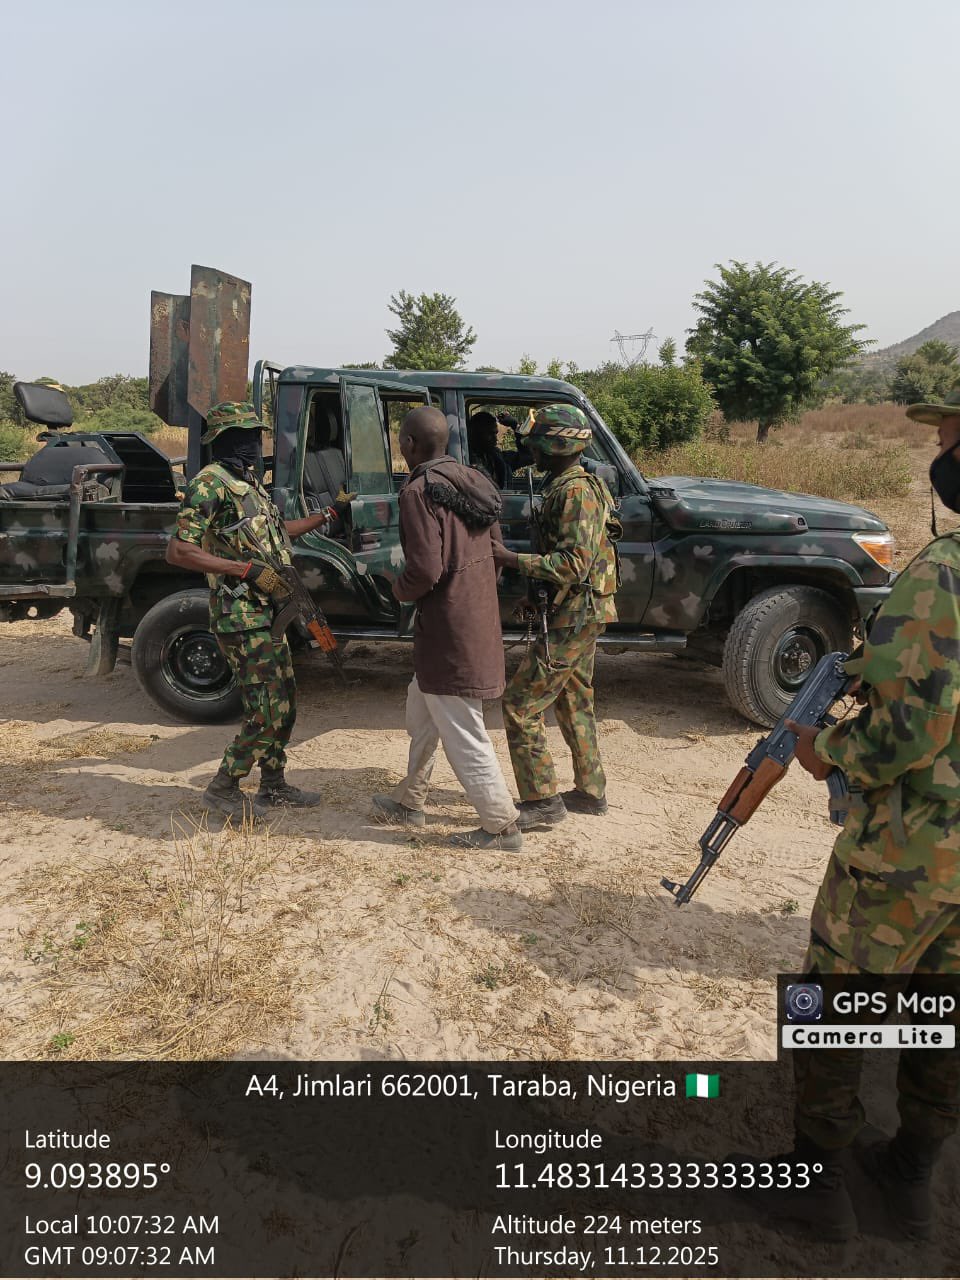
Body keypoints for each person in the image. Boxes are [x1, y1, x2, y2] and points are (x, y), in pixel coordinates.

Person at [766, 392, 960, 1242]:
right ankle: (910, 1178)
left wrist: (829, 754)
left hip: (912, 851)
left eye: (950, 436)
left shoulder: (946, 572)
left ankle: (815, 1186)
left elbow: (911, 728)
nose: (941, 452)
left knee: (830, 1005)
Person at [166, 401, 345, 820]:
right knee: (264, 709)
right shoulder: (209, 484)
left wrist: (329, 514)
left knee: (285, 703)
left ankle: (273, 785)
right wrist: (242, 569)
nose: (251, 444)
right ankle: (223, 787)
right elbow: (178, 551)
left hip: (269, 613)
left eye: (254, 436)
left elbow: (278, 533)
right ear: (222, 440)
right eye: (241, 437)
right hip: (240, 615)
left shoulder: (249, 483)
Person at [371, 405, 522, 851]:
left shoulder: (419, 491)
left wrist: (395, 589)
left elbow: (425, 570)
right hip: (475, 618)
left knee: (462, 728)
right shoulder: (474, 480)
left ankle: (501, 826)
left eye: (401, 439)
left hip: (448, 630)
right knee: (422, 710)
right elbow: (496, 553)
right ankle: (410, 800)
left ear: (409, 444)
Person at [491, 405, 620, 830]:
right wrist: (534, 594)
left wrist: (511, 559)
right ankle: (590, 791)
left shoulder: (576, 492)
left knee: (519, 705)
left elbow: (574, 563)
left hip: (576, 613)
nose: (530, 450)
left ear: (557, 445)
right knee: (573, 698)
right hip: (577, 609)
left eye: (536, 443)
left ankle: (542, 800)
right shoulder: (565, 486)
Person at [467, 410, 511, 489]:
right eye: (490, 434)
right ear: (477, 433)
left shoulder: (496, 456)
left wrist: (515, 425)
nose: (496, 439)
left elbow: (529, 456)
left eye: (495, 434)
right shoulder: (467, 458)